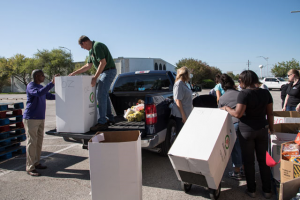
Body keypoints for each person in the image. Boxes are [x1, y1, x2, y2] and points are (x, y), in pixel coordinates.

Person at [220, 70, 274, 199]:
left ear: (245, 80)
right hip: (262, 129)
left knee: (249, 161)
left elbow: (238, 114)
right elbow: (270, 113)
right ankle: (267, 191)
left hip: (246, 131)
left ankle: (252, 190)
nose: (238, 83)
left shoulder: (244, 94)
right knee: (263, 160)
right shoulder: (266, 93)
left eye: (239, 80)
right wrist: (272, 129)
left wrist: (227, 108)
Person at [69, 36, 117, 131]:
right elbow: (88, 66)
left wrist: (95, 78)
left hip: (108, 71)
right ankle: (110, 118)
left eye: (82, 46)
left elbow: (103, 63)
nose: (83, 49)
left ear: (85, 42)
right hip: (105, 72)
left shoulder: (97, 46)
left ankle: (102, 122)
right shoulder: (91, 51)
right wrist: (74, 73)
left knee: (100, 95)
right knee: (104, 95)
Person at [23, 70, 59, 176]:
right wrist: (52, 83)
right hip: (31, 118)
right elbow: (39, 93)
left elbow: (49, 96)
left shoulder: (40, 87)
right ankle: (30, 167)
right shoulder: (31, 86)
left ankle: (36, 162)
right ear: (37, 76)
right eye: (43, 76)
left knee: (38, 142)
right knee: (32, 142)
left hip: (40, 118)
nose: (44, 77)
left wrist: (63, 96)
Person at [218, 74, 244, 180]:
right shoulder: (241, 94)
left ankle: (237, 172)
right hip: (246, 125)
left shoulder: (223, 98)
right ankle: (244, 169)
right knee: (245, 148)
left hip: (234, 125)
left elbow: (220, 114)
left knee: (236, 149)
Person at [171, 66, 193, 133]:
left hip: (186, 114)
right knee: (181, 135)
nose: (189, 76)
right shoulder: (179, 84)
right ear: (185, 75)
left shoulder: (183, 84)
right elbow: (178, 100)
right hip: (181, 116)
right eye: (188, 74)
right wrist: (183, 116)